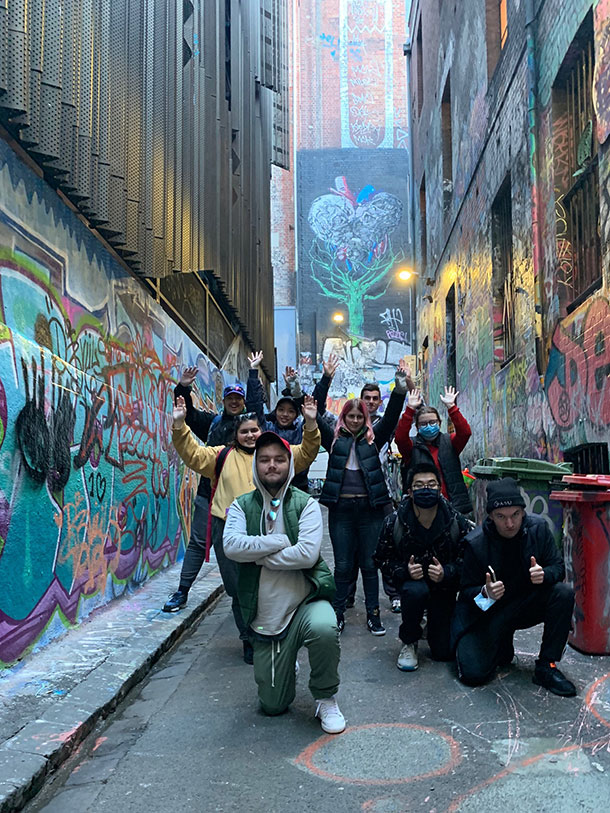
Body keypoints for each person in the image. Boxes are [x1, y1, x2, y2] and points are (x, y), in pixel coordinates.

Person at [171, 395, 321, 663]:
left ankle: (272, 632)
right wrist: (180, 425)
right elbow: (192, 454)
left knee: (267, 583)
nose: (250, 435)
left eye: (254, 430)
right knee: (238, 589)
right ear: (235, 434)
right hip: (227, 531)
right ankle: (247, 638)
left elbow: (307, 451)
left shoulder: (278, 454)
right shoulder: (221, 456)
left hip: (268, 527)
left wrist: (311, 423)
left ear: (262, 431)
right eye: (244, 431)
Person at [223, 431, 345, 734]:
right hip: (267, 619)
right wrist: (278, 540)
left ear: (289, 464)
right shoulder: (241, 506)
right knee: (273, 706)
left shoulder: (305, 504)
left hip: (304, 605)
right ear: (256, 465)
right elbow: (231, 547)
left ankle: (325, 697)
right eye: (264, 460)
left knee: (325, 627)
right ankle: (286, 663)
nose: (272, 465)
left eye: (279, 459)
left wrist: (260, 555)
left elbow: (306, 554)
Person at [452, 478, 576, 696]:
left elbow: (558, 568)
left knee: (563, 593)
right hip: (490, 613)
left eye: (515, 515)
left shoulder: (538, 529)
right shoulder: (476, 544)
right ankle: (500, 643)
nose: (509, 524)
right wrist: (485, 594)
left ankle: (547, 666)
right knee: (473, 674)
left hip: (525, 604)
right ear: (490, 516)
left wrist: (544, 574)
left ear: (523, 512)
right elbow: (465, 597)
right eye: (501, 517)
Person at [319, 363, 408, 636]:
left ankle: (373, 615)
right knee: (343, 565)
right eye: (351, 416)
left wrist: (400, 388)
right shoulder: (333, 440)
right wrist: (325, 379)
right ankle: (337, 614)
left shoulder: (373, 440)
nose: (356, 420)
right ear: (343, 418)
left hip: (369, 511)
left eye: (360, 416)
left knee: (370, 565)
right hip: (342, 511)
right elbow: (314, 410)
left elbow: (392, 417)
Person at [162, 368, 248, 613]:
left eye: (238, 399)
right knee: (199, 543)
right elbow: (189, 416)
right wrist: (183, 388)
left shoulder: (253, 428)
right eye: (230, 398)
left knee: (240, 549)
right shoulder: (213, 423)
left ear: (244, 403)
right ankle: (182, 591)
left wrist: (253, 373)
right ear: (224, 402)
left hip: (239, 501)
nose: (234, 402)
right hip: (207, 496)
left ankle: (243, 600)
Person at [374, 463, 472, 671]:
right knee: (415, 591)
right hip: (412, 588)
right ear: (409, 491)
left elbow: (470, 561)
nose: (426, 490)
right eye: (419, 485)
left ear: (439, 488)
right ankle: (409, 640)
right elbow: (381, 559)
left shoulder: (455, 521)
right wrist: (403, 570)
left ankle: (432, 626)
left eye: (431, 484)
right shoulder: (395, 523)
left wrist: (447, 572)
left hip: (443, 589)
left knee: (443, 653)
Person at [350, 368, 415, 615]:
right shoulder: (351, 429)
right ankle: (347, 596)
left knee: (390, 543)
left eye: (375, 398)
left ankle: (394, 594)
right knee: (354, 549)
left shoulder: (381, 426)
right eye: (367, 398)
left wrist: (400, 391)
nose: (370, 402)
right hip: (355, 496)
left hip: (383, 493)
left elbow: (392, 418)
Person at [246, 351, 339, 491]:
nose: (285, 414)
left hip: (298, 488)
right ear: (275, 412)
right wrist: (253, 372)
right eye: (281, 410)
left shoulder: (301, 431)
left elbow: (314, 407)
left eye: (290, 411)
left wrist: (325, 378)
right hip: (267, 488)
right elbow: (254, 406)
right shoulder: (266, 429)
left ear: (297, 415)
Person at [395, 385, 472, 515]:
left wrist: (452, 407)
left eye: (432, 422)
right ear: (417, 427)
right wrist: (409, 410)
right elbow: (400, 438)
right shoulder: (412, 447)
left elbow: (465, 432)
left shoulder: (450, 442)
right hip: (420, 508)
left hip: (452, 506)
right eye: (423, 424)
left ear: (439, 423)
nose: (428, 426)